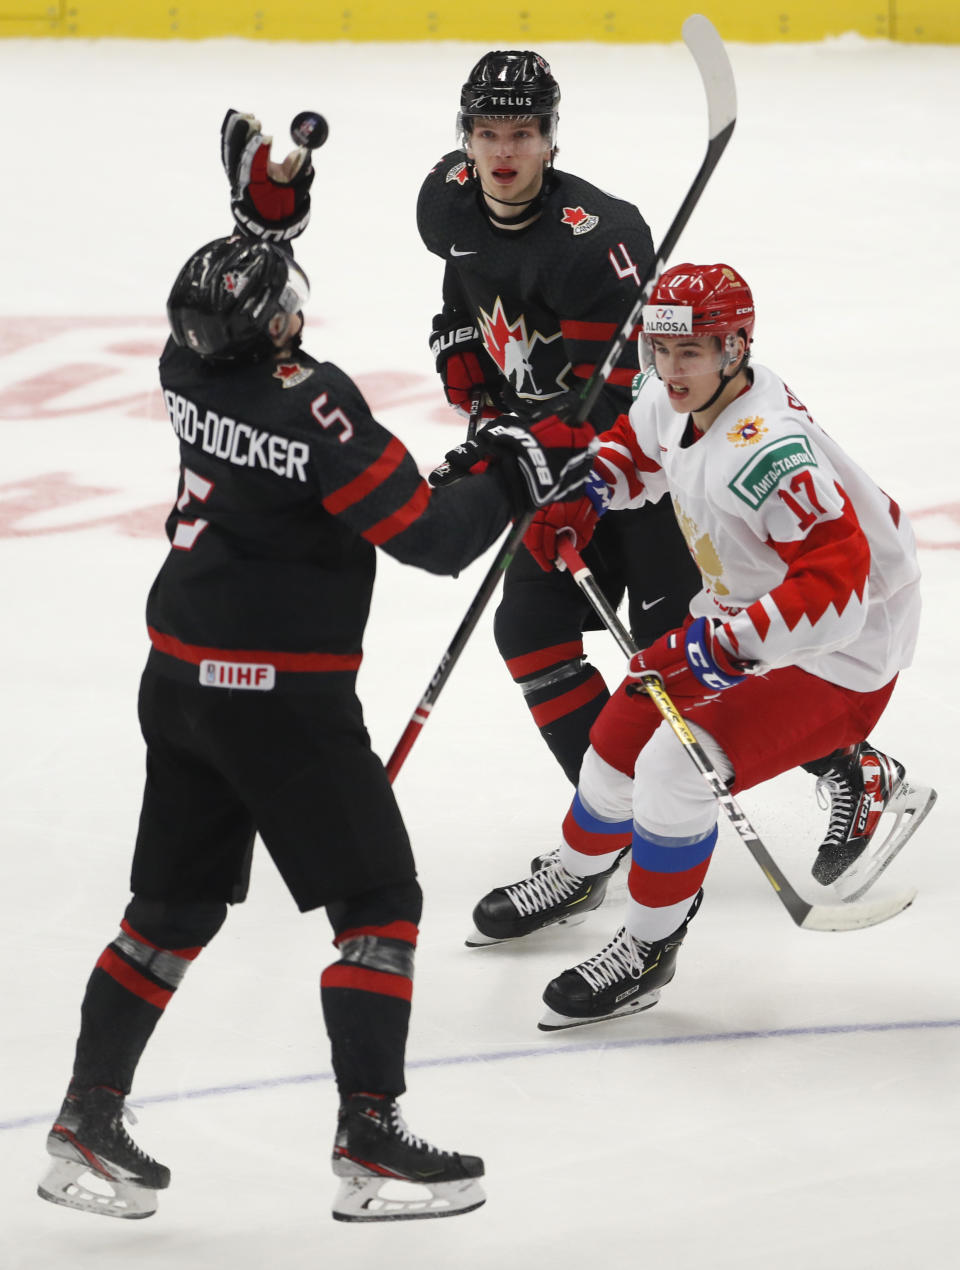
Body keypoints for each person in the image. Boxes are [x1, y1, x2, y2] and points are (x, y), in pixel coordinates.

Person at [36, 114, 592, 1222]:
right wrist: (516, 467)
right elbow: (431, 537)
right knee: (379, 901)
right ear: (274, 325)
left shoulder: (186, 359)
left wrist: (262, 214)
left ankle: (84, 1122)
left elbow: (231, 302)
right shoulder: (316, 404)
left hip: (181, 678)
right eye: (285, 293)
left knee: (169, 907)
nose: (297, 303)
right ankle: (370, 1142)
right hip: (281, 697)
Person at [418, 51, 918, 947]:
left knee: (686, 673)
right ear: (465, 139)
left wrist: (535, 446)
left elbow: (633, 403)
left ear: (550, 137)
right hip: (583, 471)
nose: (503, 152)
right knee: (531, 635)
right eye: (487, 134)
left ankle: (840, 766)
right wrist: (489, 393)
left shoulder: (598, 244)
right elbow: (483, 305)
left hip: (664, 507)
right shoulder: (450, 204)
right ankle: (609, 840)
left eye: (522, 134)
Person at [513, 260, 935, 1029]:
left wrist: (727, 649)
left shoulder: (767, 452)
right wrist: (590, 492)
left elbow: (837, 586)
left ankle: (648, 947)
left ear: (736, 349)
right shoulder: (676, 397)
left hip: (845, 651)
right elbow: (637, 450)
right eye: (661, 350)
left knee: (677, 767)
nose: (671, 370)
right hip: (751, 615)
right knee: (615, 739)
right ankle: (577, 874)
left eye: (692, 352)